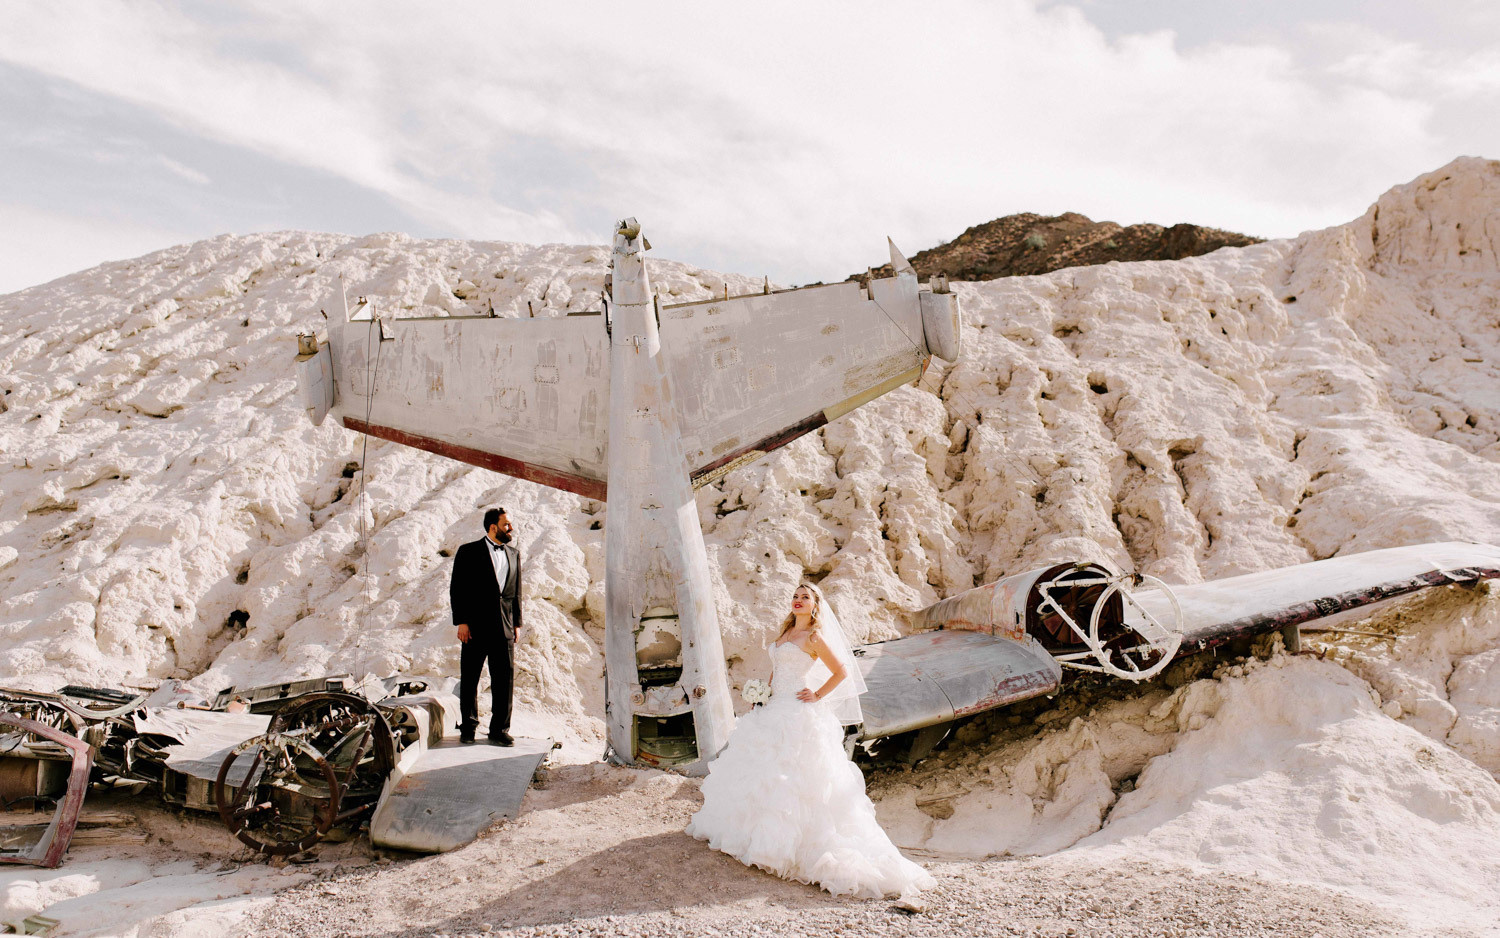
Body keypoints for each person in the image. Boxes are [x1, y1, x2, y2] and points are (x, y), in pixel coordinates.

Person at [686, 583, 935, 899]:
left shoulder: (814, 637)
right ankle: (749, 836)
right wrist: (763, 694)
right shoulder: (786, 633)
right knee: (762, 773)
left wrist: (817, 694)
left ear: (816, 606)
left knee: (793, 777)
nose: (798, 600)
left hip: (797, 711)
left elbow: (842, 671)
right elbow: (777, 670)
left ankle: (789, 848)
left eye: (805, 597)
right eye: (795, 596)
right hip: (772, 708)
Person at [449, 507, 521, 745]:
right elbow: (458, 588)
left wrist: (517, 623)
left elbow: (515, 592)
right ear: (493, 527)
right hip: (475, 627)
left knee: (504, 680)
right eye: (506, 524)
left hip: (504, 627)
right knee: (470, 678)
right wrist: (461, 621)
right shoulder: (468, 551)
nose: (510, 528)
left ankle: (499, 730)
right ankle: (468, 728)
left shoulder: (514, 553)